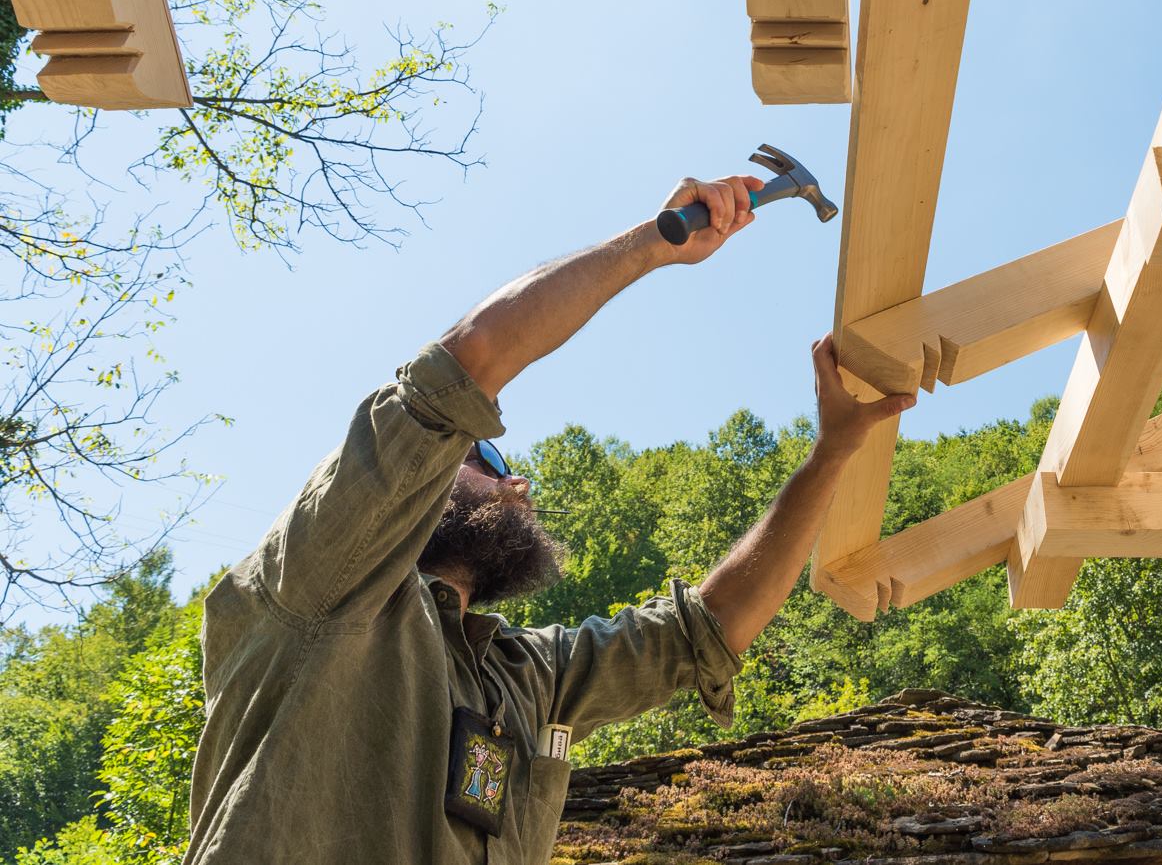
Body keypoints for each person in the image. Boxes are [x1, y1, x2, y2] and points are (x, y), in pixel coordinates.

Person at [180, 175, 914, 865]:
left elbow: (711, 630)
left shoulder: (528, 679)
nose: (519, 482)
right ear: (422, 478)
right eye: (490, 460)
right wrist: (653, 243)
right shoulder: (324, 577)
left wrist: (833, 452)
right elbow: (466, 367)